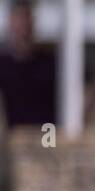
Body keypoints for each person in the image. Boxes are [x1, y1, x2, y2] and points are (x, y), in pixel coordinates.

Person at [0, 0, 56, 128]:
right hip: (14, 137)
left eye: (25, 19)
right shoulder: (3, 63)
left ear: (32, 22)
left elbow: (90, 84)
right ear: (10, 23)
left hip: (47, 134)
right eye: (17, 19)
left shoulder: (49, 61)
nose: (21, 25)